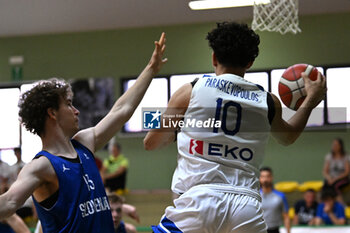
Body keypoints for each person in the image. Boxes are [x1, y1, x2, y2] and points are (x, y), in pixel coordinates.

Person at [143, 22, 326, 233]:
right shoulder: (267, 101)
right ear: (250, 62)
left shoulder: (191, 91)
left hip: (199, 202)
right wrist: (310, 101)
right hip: (247, 207)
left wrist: (178, 127)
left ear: (213, 58)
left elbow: (151, 142)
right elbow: (288, 137)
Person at [0, 33, 167, 232]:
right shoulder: (42, 166)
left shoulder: (84, 143)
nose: (76, 110)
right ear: (52, 113)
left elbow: (122, 110)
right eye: (69, 104)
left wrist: (151, 69)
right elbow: (9, 202)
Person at [259, 167, 290, 233]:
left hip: (275, 230)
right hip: (259, 230)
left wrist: (288, 231)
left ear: (271, 177)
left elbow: (286, 216)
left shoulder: (281, 196)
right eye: (263, 177)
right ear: (259, 178)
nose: (265, 179)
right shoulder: (255, 196)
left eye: (267, 176)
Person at [322, 138, 350, 203]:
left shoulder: (346, 157)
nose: (334, 146)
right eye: (333, 145)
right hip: (331, 178)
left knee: (334, 186)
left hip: (342, 179)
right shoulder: (329, 157)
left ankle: (342, 206)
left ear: (340, 146)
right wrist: (329, 178)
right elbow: (325, 171)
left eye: (336, 145)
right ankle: (325, 206)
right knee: (325, 187)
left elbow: (347, 172)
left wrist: (335, 179)